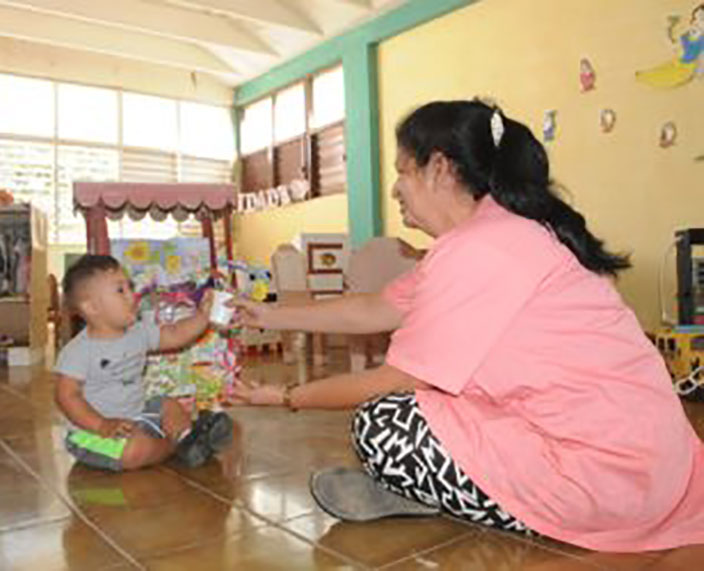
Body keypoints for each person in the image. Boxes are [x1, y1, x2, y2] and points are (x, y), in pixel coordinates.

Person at [229, 100, 704, 552]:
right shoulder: (496, 233)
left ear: (440, 168)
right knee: (437, 402)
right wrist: (267, 313)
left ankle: (449, 498)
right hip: (644, 457)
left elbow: (395, 379)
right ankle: (437, 493)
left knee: (382, 425)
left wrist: (286, 397)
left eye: (402, 172)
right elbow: (375, 308)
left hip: (609, 476)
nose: (396, 189)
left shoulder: (482, 247)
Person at [55, 254, 232, 472]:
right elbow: (66, 396)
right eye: (120, 290)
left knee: (168, 405)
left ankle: (187, 436)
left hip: (139, 416)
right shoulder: (78, 351)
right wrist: (101, 425)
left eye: (130, 287)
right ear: (91, 307)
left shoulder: (137, 332)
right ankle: (178, 446)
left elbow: (175, 334)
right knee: (133, 451)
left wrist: (204, 316)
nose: (132, 296)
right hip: (93, 432)